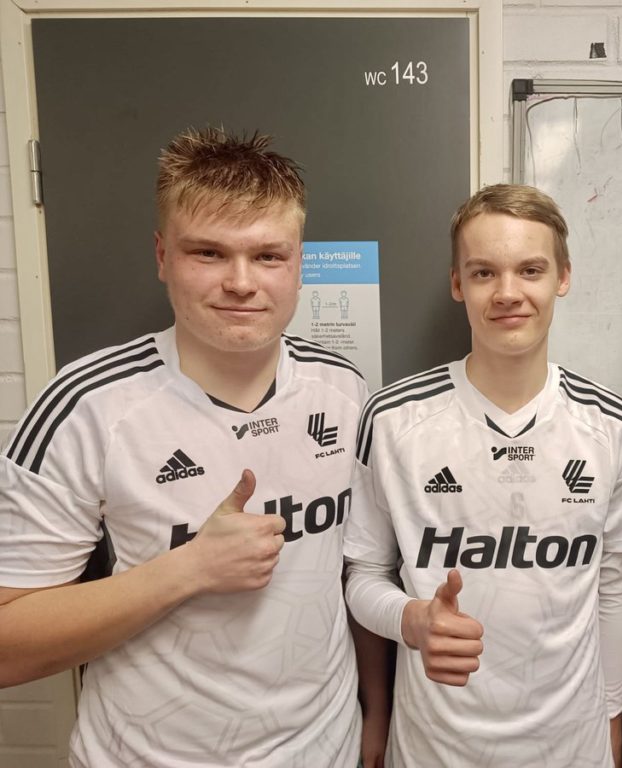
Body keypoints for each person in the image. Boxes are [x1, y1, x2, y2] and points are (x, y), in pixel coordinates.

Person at [0, 127, 387, 767]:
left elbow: (356, 572)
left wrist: (377, 711)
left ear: (298, 263)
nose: (241, 282)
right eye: (208, 252)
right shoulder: (87, 403)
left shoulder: (344, 387)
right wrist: (190, 570)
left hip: (326, 749)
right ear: (162, 255)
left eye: (268, 256)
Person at [344, 184, 622, 767]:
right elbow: (363, 576)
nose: (508, 293)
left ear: (562, 277)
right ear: (457, 284)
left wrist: (613, 719)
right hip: (433, 750)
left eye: (530, 270)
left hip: (571, 750)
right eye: (484, 273)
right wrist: (411, 619)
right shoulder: (391, 420)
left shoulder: (612, 426)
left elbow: (611, 587)